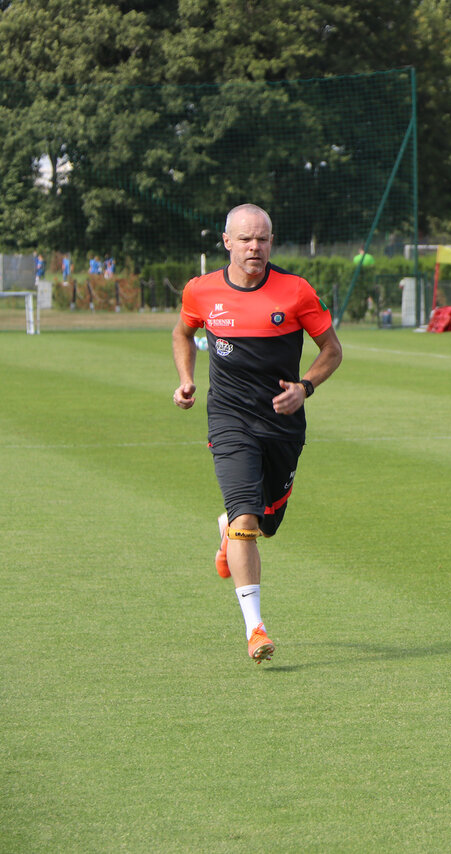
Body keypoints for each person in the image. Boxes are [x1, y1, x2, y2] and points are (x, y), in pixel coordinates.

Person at [172, 203, 342, 663]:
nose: (255, 247)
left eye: (263, 239)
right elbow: (182, 333)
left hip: (282, 424)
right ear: (227, 241)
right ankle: (255, 629)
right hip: (229, 419)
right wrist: (186, 379)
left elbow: (332, 349)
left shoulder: (296, 291)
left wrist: (304, 388)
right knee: (247, 518)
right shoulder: (201, 291)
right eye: (246, 239)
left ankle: (228, 529)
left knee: (265, 524)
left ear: (271, 242)